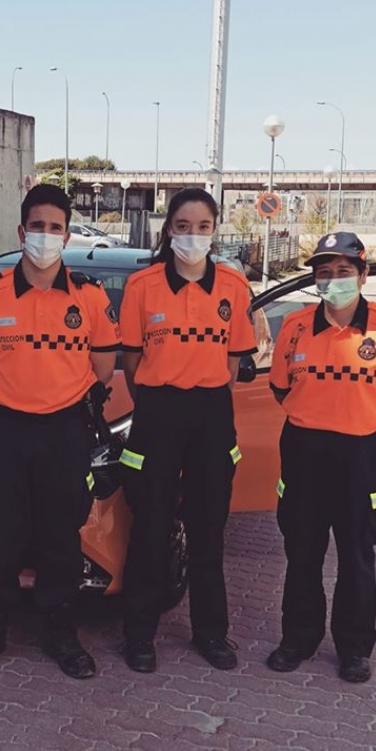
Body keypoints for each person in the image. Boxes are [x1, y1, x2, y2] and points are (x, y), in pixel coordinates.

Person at [0, 183, 121, 679]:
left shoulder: (89, 298)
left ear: (66, 236)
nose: (45, 236)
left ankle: (60, 632)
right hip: (5, 432)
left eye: (55, 228)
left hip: (66, 433)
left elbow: (104, 368)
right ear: (21, 231)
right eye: (37, 227)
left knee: (59, 536)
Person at [266, 231, 376, 683]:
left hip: (363, 454)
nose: (334, 281)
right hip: (304, 453)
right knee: (302, 552)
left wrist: (362, 417)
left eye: (344, 272)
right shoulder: (295, 325)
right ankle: (297, 639)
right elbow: (279, 388)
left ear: (364, 275)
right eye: (324, 273)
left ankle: (354, 648)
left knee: (357, 555)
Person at [117, 187, 258, 673]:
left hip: (211, 414)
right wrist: (159, 401)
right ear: (168, 230)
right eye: (183, 226)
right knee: (150, 529)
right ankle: (139, 633)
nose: (193, 236)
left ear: (215, 231)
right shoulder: (143, 286)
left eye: (203, 227)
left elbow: (237, 357)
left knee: (208, 528)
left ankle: (211, 633)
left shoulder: (234, 289)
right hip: (157, 414)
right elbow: (132, 361)